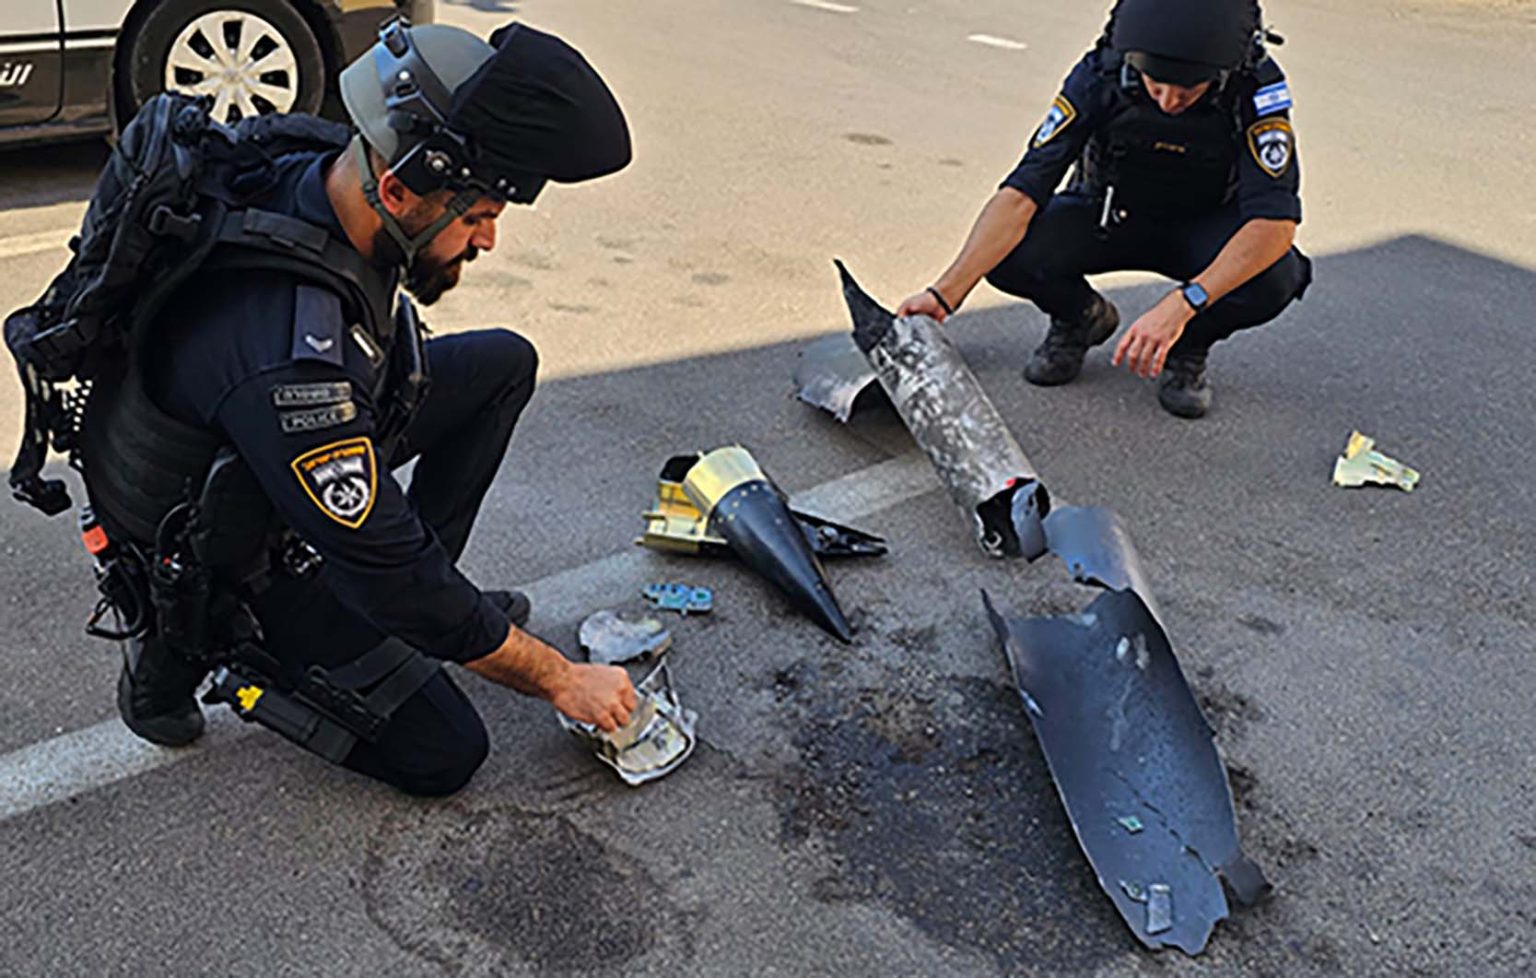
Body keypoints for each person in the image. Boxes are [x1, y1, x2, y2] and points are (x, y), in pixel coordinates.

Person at [106, 20, 637, 795]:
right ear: (397, 192)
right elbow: (383, 560)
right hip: (221, 543)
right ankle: (174, 654)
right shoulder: (289, 359)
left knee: (501, 365)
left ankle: (423, 614)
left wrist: (439, 608)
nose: (488, 241)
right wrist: (559, 677)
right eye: (477, 217)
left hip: (257, 452)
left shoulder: (330, 169)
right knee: (445, 753)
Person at [899, 0, 1313, 418]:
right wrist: (943, 295)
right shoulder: (1101, 72)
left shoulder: (1255, 86)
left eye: (1187, 91)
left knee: (1275, 276)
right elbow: (1022, 191)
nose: (1168, 102)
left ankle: (1187, 346)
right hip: (1111, 215)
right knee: (1006, 252)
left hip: (1203, 227)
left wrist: (1186, 304)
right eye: (1155, 86)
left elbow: (1274, 223)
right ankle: (1080, 318)